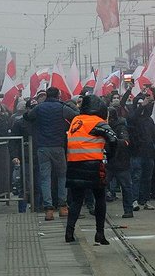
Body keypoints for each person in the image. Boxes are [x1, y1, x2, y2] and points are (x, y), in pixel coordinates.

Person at [64, 95, 117, 245]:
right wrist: (110, 155)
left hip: (74, 164)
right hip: (93, 164)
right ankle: (99, 233)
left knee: (76, 200)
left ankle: (69, 232)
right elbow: (113, 138)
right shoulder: (97, 122)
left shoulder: (76, 121)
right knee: (99, 198)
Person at [24, 86, 79, 220]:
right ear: (58, 95)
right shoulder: (62, 107)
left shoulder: (39, 107)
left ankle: (48, 209)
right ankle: (63, 207)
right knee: (62, 176)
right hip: (58, 146)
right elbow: (77, 115)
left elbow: (28, 116)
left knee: (45, 178)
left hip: (42, 147)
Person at [128, 93, 155, 211]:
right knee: (136, 176)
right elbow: (132, 118)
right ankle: (134, 200)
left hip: (148, 153)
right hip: (136, 152)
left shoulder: (149, 120)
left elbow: (154, 134)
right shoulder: (133, 119)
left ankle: (145, 199)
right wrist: (142, 106)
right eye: (138, 104)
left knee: (147, 177)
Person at [104, 107, 135, 218]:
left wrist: (112, 142)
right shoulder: (104, 128)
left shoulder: (120, 127)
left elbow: (125, 142)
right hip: (108, 162)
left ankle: (128, 210)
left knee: (126, 187)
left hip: (121, 162)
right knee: (101, 186)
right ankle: (100, 209)